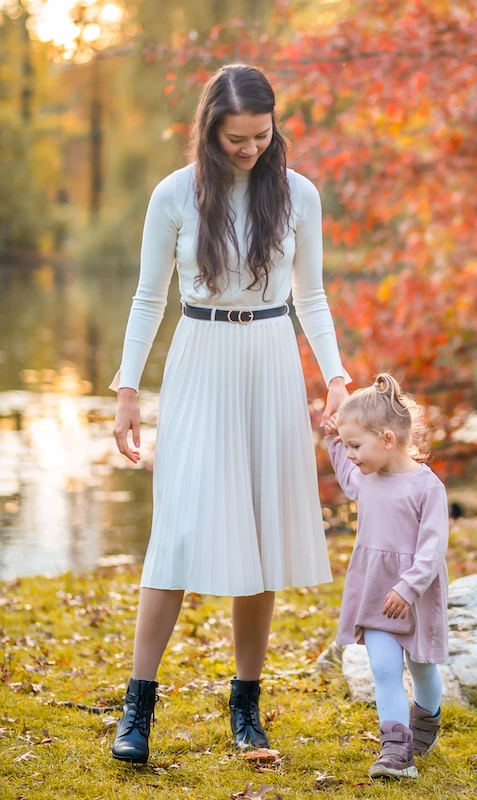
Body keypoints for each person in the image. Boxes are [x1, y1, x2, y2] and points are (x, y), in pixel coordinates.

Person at [109, 63, 350, 764]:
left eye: (261, 136)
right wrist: (127, 390)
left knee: (262, 533)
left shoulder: (299, 194)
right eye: (236, 138)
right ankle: (138, 707)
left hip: (271, 358)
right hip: (200, 356)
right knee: (177, 531)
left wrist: (335, 377)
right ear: (210, 130)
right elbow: (148, 297)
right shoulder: (174, 194)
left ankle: (246, 707)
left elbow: (312, 296)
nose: (249, 149)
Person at [324, 374, 449, 780]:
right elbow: (346, 475)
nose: (351, 456)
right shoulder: (365, 478)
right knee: (383, 668)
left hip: (416, 594)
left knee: (421, 668)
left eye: (356, 446)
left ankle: (426, 721)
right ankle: (396, 750)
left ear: (388, 439)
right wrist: (334, 438)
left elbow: (433, 548)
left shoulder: (427, 488)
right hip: (376, 589)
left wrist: (408, 587)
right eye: (348, 447)